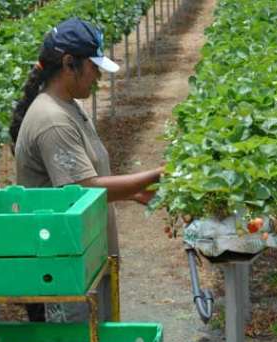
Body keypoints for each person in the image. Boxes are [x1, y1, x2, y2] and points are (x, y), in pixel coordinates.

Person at [11, 17, 163, 323]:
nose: (98, 77)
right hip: (62, 269)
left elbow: (80, 183)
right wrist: (157, 175)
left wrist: (133, 193)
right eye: (94, 67)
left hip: (79, 259)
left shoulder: (67, 106)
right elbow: (83, 188)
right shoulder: (52, 120)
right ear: (69, 64)